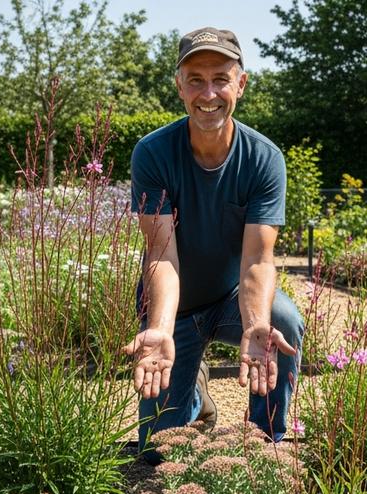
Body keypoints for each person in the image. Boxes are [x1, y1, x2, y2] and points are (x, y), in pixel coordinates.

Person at [123, 26, 304, 461]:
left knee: (282, 320)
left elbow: (258, 261)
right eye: (196, 79)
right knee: (157, 454)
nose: (209, 93)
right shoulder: (153, 153)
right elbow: (161, 253)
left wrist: (256, 322)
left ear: (240, 84)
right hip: (175, 306)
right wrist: (161, 329)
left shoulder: (263, 158)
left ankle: (264, 442)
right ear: (179, 86)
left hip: (229, 300)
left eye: (220, 78)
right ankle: (196, 398)